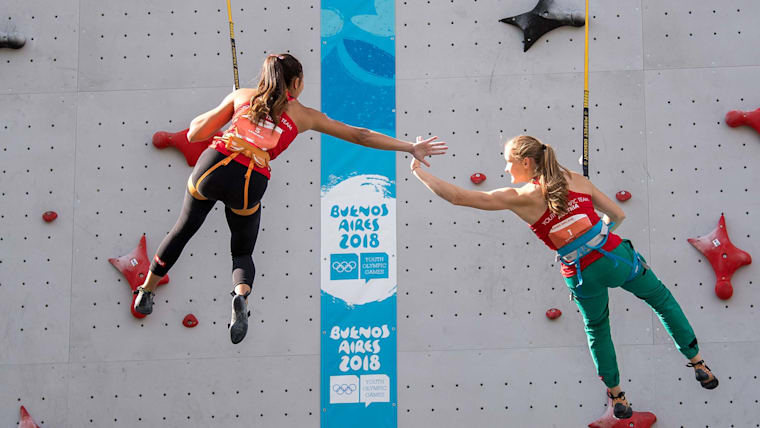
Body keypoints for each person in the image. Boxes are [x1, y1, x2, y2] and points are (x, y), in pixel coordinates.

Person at [132, 53, 447, 344]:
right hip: (250, 178)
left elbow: (194, 134)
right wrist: (409, 147)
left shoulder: (243, 96)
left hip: (214, 164)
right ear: (295, 83)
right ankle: (240, 295)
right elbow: (359, 135)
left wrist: (230, 103)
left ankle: (146, 291)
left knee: (183, 229)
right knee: (241, 253)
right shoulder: (303, 115)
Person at [409, 134, 718, 419]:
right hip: (615, 257)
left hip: (582, 273)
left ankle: (618, 396)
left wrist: (418, 171)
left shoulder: (521, 197)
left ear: (526, 162)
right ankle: (698, 362)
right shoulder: (577, 180)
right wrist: (595, 232)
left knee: (597, 328)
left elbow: (459, 198)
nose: (505, 168)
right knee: (661, 300)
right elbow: (618, 216)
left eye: (508, 160)